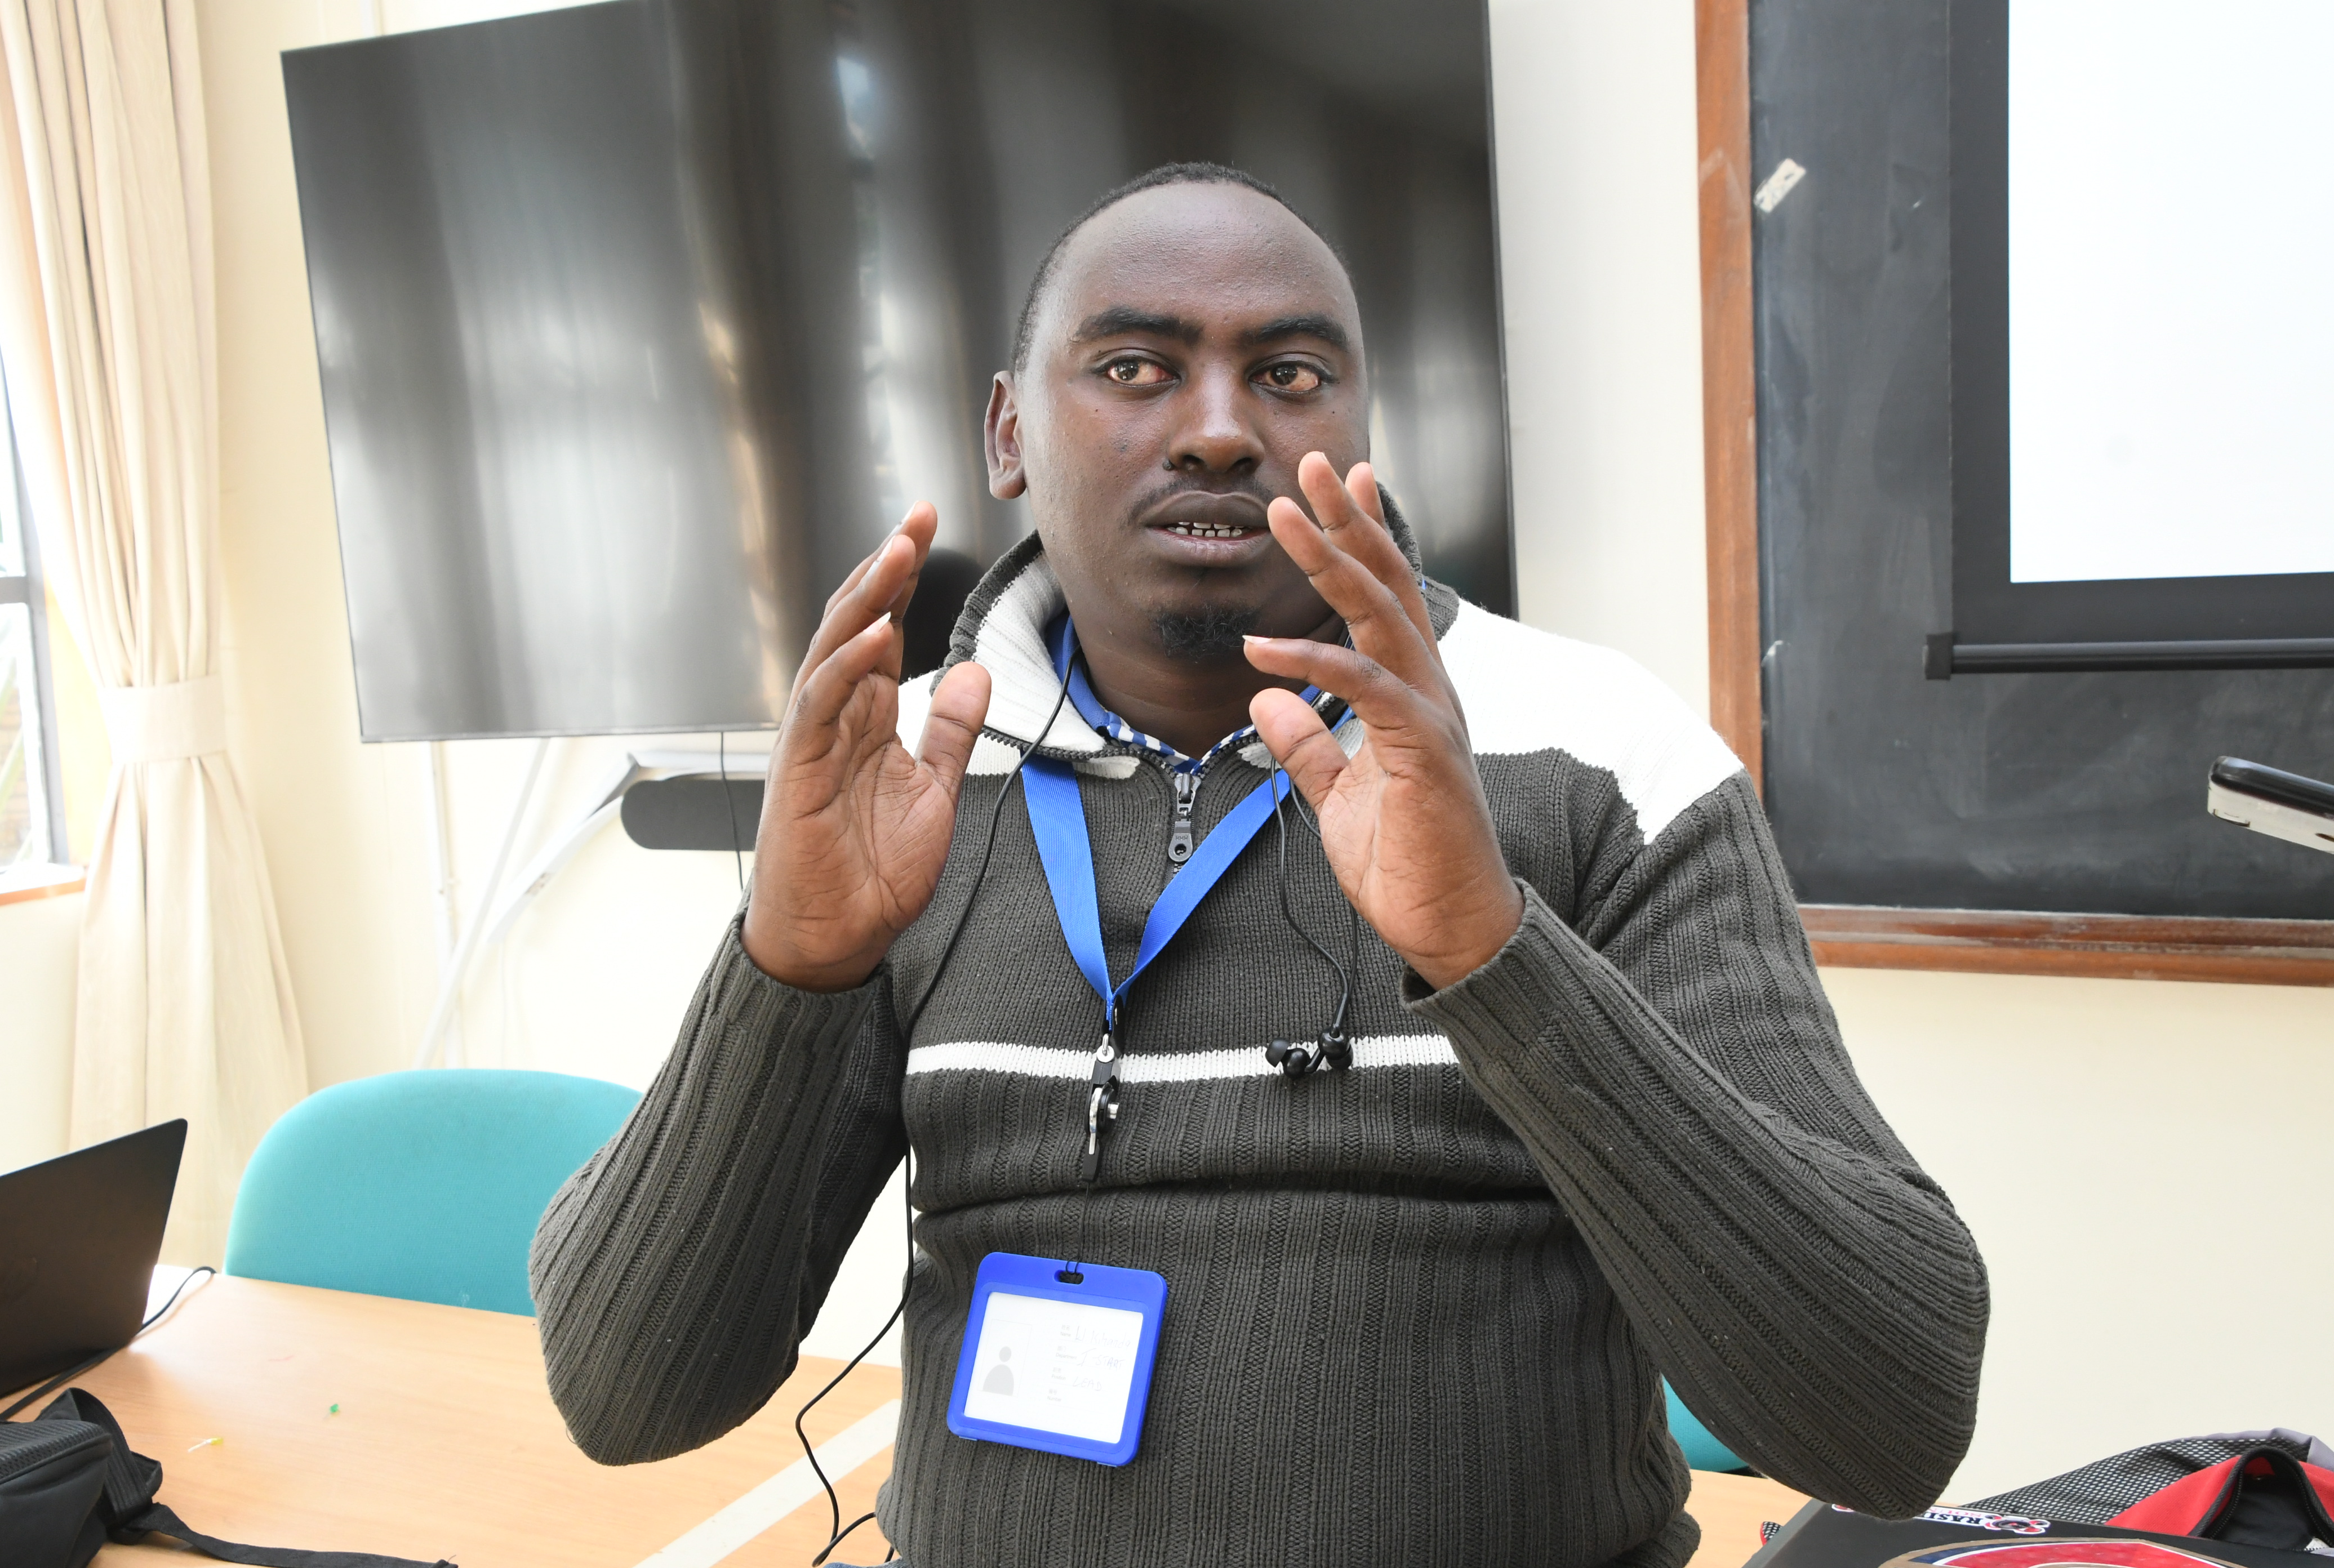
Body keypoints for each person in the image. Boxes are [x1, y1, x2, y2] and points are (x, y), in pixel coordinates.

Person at [530, 162, 1987, 1568]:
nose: (1221, 430)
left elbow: (1888, 1418)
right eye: (1137, 367)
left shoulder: (1599, 752)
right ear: (1008, 431)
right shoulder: (899, 774)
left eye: (1289, 374)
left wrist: (1497, 956)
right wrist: (789, 969)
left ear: (1357, 430)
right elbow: (632, 1395)